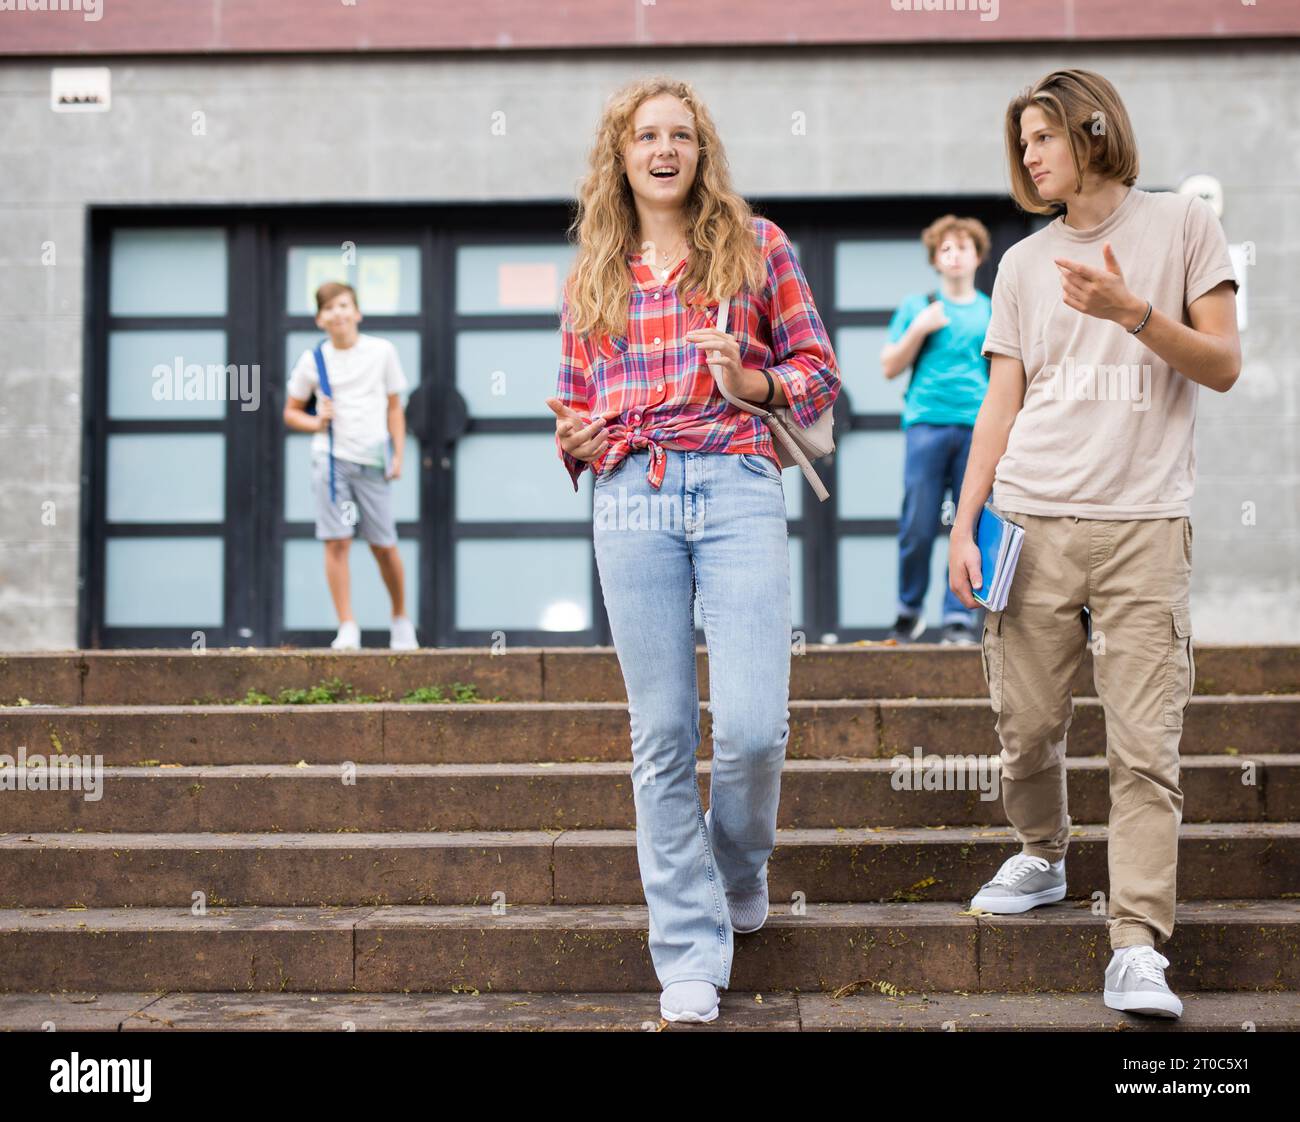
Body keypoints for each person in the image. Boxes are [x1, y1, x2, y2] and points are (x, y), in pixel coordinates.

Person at [546, 76, 839, 1024]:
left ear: (701, 153)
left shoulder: (759, 248)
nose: (663, 149)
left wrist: (749, 378)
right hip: (631, 494)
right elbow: (573, 407)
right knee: (664, 731)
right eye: (646, 136)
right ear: (621, 156)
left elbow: (818, 370)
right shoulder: (595, 265)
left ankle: (736, 865)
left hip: (738, 486)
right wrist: (576, 442)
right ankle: (686, 949)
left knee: (753, 726)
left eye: (681, 135)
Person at [948, 69, 1240, 1019]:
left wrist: (1134, 315)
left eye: (1044, 136)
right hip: (1030, 520)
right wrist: (967, 518)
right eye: (1022, 141)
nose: (1030, 155)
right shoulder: (1024, 263)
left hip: (1146, 526)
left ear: (1094, 130)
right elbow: (1003, 400)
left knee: (1144, 745)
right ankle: (1042, 854)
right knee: (1025, 728)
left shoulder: (1185, 225)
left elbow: (1226, 365)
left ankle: (1138, 943)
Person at [283, 281, 417, 650]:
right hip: (329, 459)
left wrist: (398, 455)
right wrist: (316, 421)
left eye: (344, 305)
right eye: (329, 308)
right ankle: (347, 627)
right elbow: (291, 413)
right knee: (336, 542)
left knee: (383, 544)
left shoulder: (382, 352)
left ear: (356, 312)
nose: (338, 313)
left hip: (373, 459)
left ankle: (400, 620)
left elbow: (394, 407)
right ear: (319, 319)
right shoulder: (314, 360)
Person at [881, 215, 993, 645]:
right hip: (925, 425)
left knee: (968, 523)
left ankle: (959, 618)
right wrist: (919, 329)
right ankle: (908, 611)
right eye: (946, 249)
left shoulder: (989, 310)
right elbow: (890, 366)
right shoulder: (918, 306)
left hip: (976, 429)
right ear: (935, 259)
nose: (954, 255)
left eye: (962, 247)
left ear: (977, 256)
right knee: (918, 523)